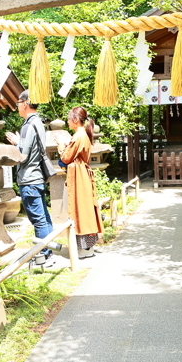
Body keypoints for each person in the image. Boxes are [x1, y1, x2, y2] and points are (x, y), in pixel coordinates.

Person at [6, 91, 57, 265]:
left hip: (29, 179)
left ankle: (43, 256)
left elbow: (23, 155)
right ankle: (48, 252)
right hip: (37, 178)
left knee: (38, 220)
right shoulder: (39, 123)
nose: (17, 106)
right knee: (44, 217)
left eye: (18, 102)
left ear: (25, 103)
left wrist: (16, 141)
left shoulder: (28, 125)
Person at [59, 106, 104, 258]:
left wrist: (61, 148)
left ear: (76, 120)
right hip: (81, 173)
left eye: (68, 119)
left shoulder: (78, 136)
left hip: (78, 175)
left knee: (79, 209)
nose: (67, 122)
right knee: (85, 209)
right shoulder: (83, 134)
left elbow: (65, 158)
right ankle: (87, 247)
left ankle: (83, 248)